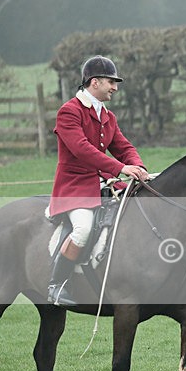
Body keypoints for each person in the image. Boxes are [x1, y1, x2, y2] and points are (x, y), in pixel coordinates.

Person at [47, 55, 149, 306]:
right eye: (111, 82)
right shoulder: (69, 111)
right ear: (94, 82)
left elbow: (123, 146)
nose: (115, 87)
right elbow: (82, 149)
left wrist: (138, 167)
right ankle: (56, 285)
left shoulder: (107, 116)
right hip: (74, 187)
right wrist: (120, 167)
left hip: (102, 183)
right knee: (82, 228)